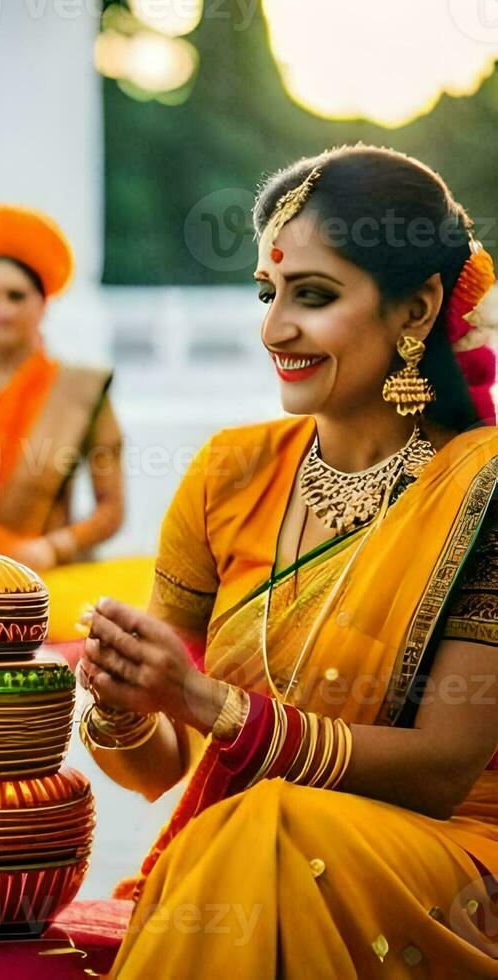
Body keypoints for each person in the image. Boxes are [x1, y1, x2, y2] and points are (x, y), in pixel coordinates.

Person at [79, 146, 498, 976]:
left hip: (446, 857)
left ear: (415, 312)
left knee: (267, 829)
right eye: (267, 294)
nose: (274, 329)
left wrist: (203, 698)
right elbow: (161, 768)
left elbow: (444, 771)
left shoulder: (481, 493)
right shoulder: (228, 475)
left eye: (313, 296)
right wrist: (125, 701)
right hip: (250, 846)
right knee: (256, 828)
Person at [0, 203, 151, 641]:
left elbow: (111, 509)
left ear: (42, 304)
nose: (2, 309)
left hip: (53, 576)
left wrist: (53, 548)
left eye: (16, 296)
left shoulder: (81, 390)